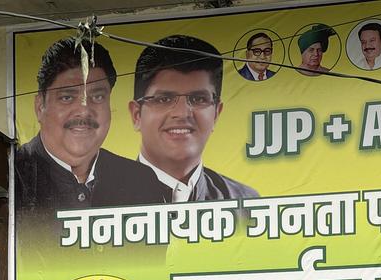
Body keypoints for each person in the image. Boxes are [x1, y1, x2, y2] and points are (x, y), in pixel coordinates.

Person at [114, 35, 258, 204]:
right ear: (137, 114)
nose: (182, 113)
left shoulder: (244, 203)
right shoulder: (99, 200)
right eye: (164, 99)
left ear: (216, 114)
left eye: (198, 99)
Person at [14, 38, 134, 215]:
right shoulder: (12, 175)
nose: (84, 111)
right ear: (40, 106)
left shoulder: (138, 179)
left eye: (98, 97)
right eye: (67, 98)